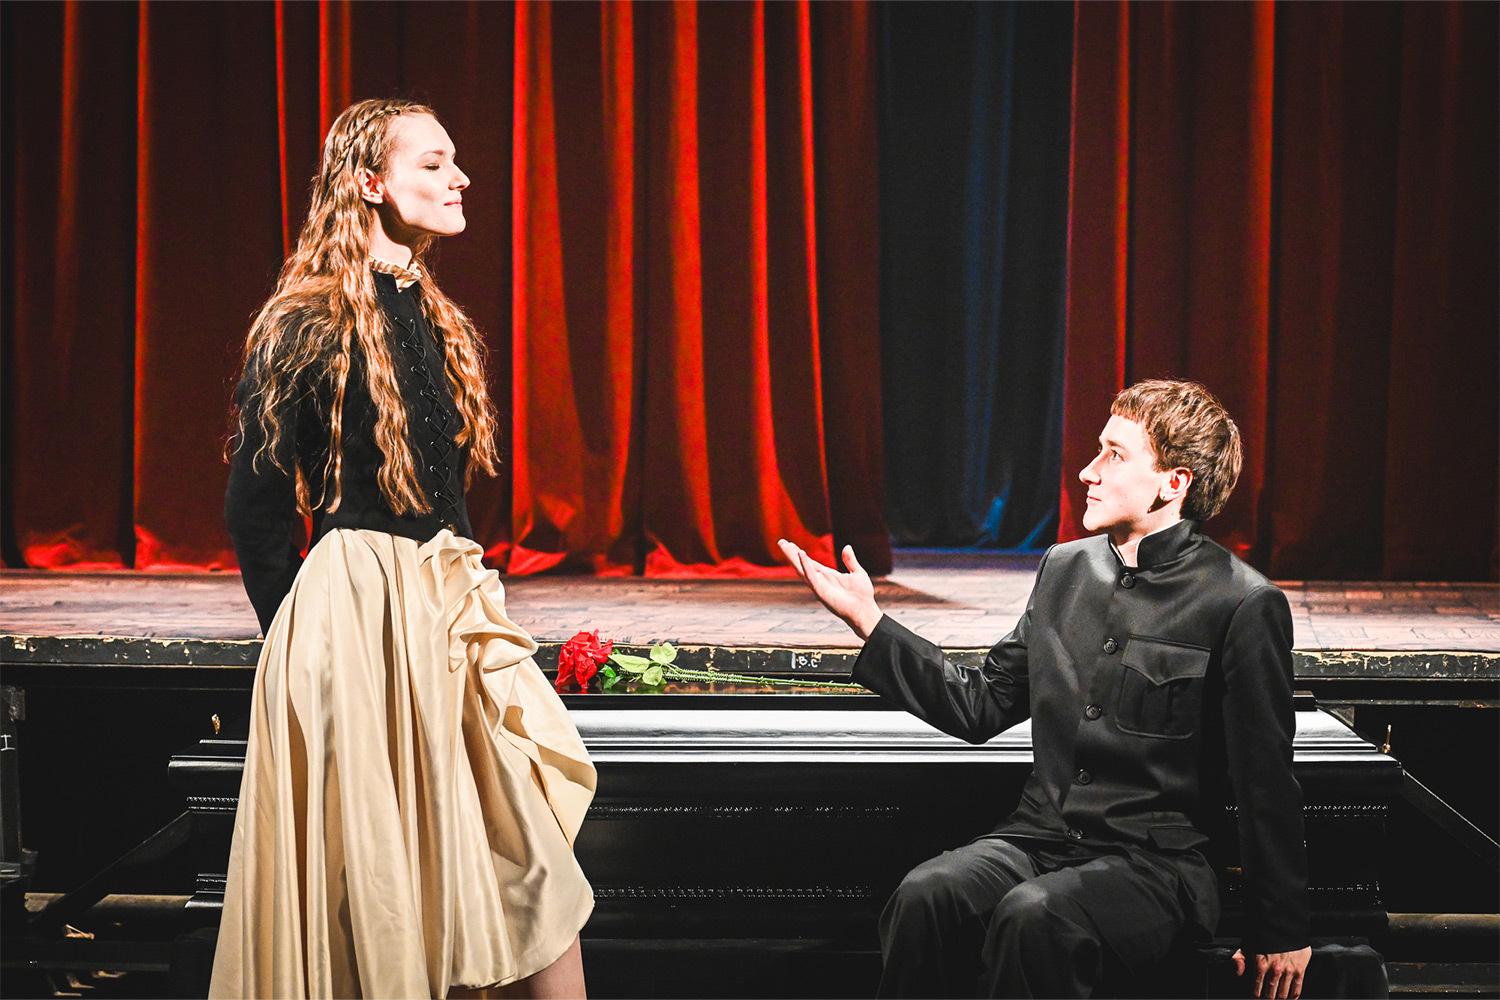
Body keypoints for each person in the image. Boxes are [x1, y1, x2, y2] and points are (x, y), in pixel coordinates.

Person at [213, 98, 594, 999]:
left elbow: (442, 496)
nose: (460, 179)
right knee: (394, 883)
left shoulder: (433, 314)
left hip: (444, 608)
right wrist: (311, 644)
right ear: (368, 182)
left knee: (527, 855)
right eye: (433, 163)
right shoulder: (307, 318)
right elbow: (255, 509)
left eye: (454, 161)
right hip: (357, 619)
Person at [779, 380, 1312, 999]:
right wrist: (870, 622)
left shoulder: (1241, 601)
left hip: (1157, 865)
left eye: (1115, 454)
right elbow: (980, 703)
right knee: (927, 896)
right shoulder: (1064, 568)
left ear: (1174, 483)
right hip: (1039, 839)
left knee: (1035, 918)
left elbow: (1265, 777)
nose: (1088, 470)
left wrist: (1280, 926)